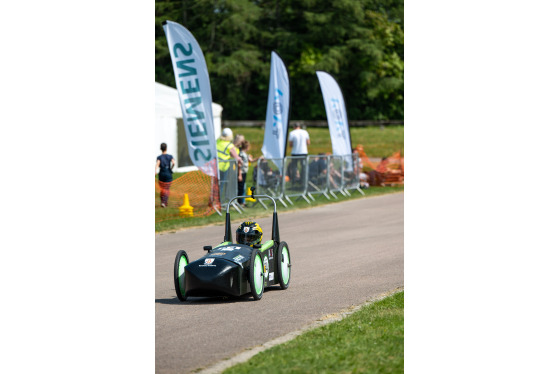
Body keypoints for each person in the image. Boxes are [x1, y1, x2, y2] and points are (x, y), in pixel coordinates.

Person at [216, 128, 243, 202]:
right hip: (223, 167)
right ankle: (219, 203)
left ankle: (213, 202)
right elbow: (236, 157)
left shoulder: (217, 141)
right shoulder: (229, 145)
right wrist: (240, 160)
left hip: (215, 166)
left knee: (215, 185)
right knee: (221, 185)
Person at [155, 142, 175, 207]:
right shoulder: (170, 156)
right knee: (167, 189)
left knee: (162, 189)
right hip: (168, 173)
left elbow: (157, 164)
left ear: (160, 148)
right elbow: (173, 163)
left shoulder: (159, 157)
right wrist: (171, 168)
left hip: (162, 173)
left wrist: (155, 172)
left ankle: (162, 202)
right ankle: (165, 202)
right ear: (166, 148)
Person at [237, 140, 254, 206]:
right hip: (241, 172)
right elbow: (239, 165)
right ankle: (240, 202)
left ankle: (242, 202)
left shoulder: (245, 154)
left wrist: (258, 158)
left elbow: (251, 160)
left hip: (244, 172)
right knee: (240, 188)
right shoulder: (241, 154)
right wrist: (240, 174)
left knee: (243, 187)